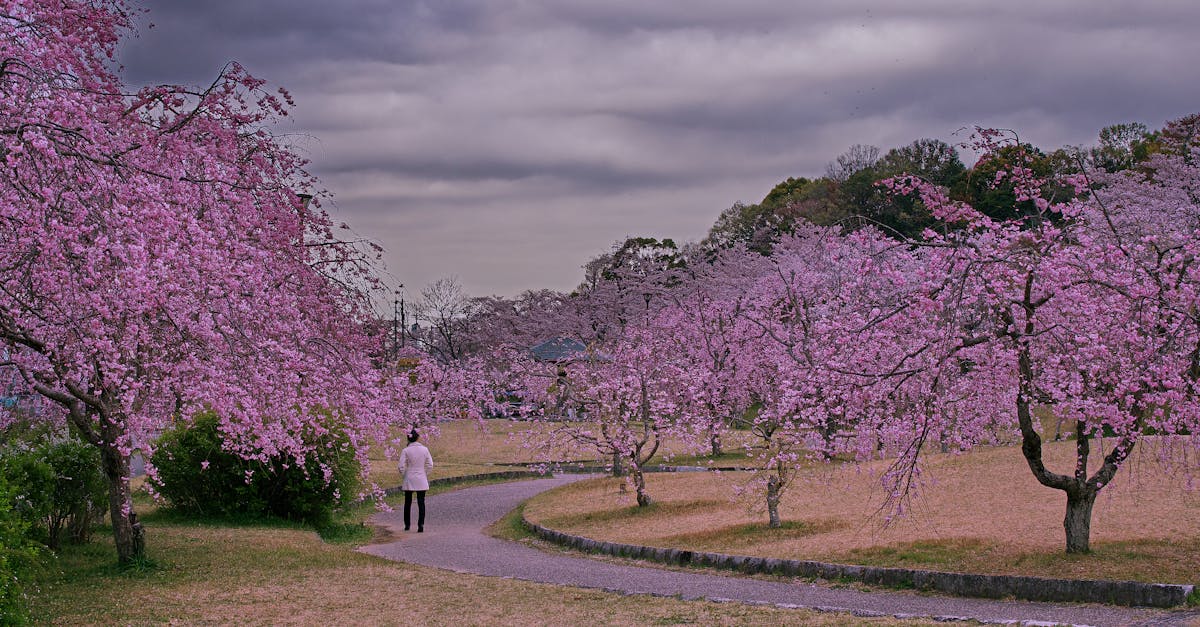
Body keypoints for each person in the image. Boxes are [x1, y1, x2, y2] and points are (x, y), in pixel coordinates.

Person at [398, 430, 434, 532]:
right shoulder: (425, 449)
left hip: (409, 477)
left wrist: (404, 474)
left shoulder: (405, 450)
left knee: (407, 502)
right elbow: (430, 464)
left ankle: (407, 525)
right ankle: (421, 525)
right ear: (417, 438)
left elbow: (401, 466)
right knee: (421, 502)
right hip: (421, 477)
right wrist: (424, 473)